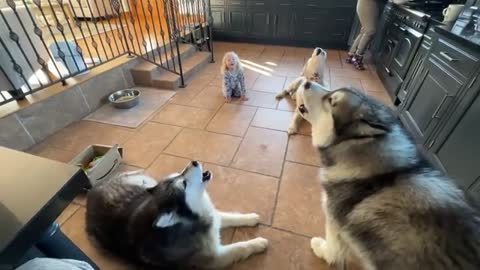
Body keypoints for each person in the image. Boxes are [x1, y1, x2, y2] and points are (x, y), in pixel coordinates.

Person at [346, 0, 386, 70]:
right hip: (368, 4)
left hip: (365, 4)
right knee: (370, 31)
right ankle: (357, 58)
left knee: (365, 30)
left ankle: (351, 55)